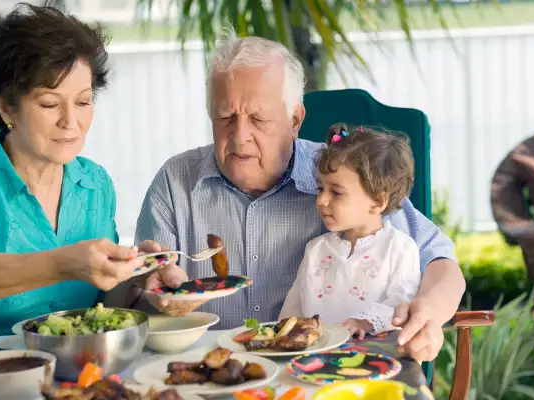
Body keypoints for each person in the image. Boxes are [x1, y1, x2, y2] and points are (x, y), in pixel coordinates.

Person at [131, 34, 466, 362]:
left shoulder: (342, 178)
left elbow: (441, 262)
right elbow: (135, 301)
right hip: (209, 370)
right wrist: (149, 288)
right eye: (224, 118)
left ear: (295, 120)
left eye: (258, 119)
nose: (239, 137)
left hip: (317, 374)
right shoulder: (175, 182)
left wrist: (429, 314)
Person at [0, 2, 149, 338]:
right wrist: (61, 263)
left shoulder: (95, 184)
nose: (71, 122)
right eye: (50, 103)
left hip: (78, 369)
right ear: (7, 106)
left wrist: (135, 275)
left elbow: (103, 304)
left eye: (82, 101)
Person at [279, 123, 421, 340]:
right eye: (320, 188)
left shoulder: (400, 248)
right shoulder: (315, 249)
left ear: (377, 202)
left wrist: (363, 323)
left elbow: (402, 304)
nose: (321, 200)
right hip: (313, 363)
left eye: (336, 192)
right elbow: (292, 312)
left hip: (375, 362)